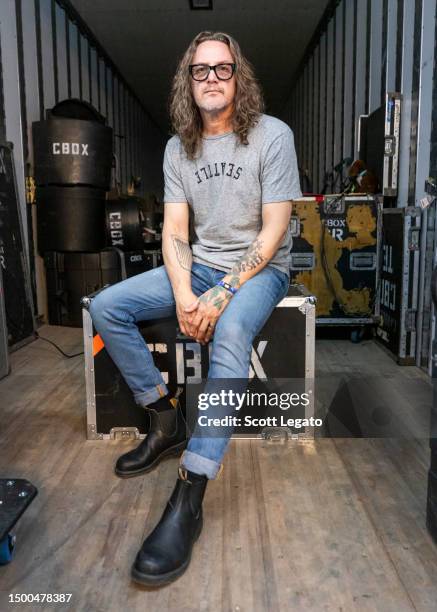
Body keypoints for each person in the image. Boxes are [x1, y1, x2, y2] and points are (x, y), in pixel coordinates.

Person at [90, 30, 302, 586]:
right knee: (108, 305)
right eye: (201, 70)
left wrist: (223, 291)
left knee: (229, 336)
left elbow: (276, 228)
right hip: (199, 265)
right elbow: (176, 230)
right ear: (189, 80)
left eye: (222, 69)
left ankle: (191, 489)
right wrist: (186, 293)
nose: (212, 78)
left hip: (260, 269)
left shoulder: (271, 136)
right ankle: (163, 418)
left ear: (239, 77)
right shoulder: (177, 145)